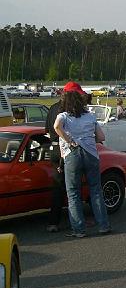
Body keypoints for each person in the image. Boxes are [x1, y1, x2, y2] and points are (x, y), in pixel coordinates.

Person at [54, 82, 111, 238]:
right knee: (96, 190)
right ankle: (103, 225)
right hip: (91, 154)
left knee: (73, 193)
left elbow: (57, 126)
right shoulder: (90, 116)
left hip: (72, 154)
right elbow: (101, 137)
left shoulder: (63, 116)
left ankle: (79, 229)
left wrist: (69, 140)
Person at [44, 94, 65, 232]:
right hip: (64, 149)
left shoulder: (52, 108)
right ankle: (76, 220)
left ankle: (53, 222)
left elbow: (46, 130)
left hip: (52, 149)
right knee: (69, 186)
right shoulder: (66, 110)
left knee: (58, 186)